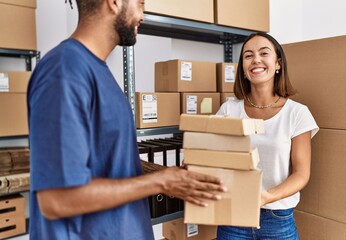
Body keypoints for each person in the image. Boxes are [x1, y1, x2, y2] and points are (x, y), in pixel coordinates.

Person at [27, 0, 226, 239]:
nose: (143, 15)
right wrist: (161, 183)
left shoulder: (97, 70)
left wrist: (169, 175)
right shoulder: (65, 71)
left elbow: (109, 159)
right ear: (114, 2)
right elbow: (57, 198)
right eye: (140, 4)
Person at [216, 32, 319, 239]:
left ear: (277, 63)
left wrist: (266, 197)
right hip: (234, 216)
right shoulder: (229, 110)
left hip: (278, 218)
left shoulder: (297, 113)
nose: (256, 60)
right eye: (248, 56)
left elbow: (301, 174)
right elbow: (211, 157)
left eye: (264, 53)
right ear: (243, 69)